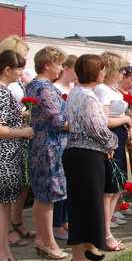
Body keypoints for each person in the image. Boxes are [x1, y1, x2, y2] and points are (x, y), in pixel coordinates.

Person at [62, 54, 117, 261]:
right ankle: (78, 258)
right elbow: (96, 128)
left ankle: (87, 248)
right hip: (86, 155)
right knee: (85, 206)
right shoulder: (87, 97)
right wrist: (112, 143)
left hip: (80, 154)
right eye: (102, 69)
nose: (104, 73)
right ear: (95, 72)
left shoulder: (78, 92)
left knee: (85, 204)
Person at [0, 50, 34, 261]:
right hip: (3, 157)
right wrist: (24, 132)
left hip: (6, 156)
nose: (22, 73)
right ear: (7, 70)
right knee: (0, 207)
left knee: (2, 206)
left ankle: (3, 254)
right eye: (19, 68)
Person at [25, 47, 69, 260]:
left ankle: (44, 240)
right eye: (58, 63)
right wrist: (81, 121)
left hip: (45, 146)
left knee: (43, 196)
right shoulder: (43, 88)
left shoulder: (37, 85)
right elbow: (58, 120)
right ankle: (48, 242)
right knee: (47, 197)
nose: (61, 68)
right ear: (47, 65)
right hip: (49, 148)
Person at [95, 52, 132, 251]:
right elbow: (104, 120)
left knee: (116, 188)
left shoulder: (112, 90)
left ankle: (106, 229)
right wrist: (126, 120)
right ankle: (104, 232)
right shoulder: (102, 90)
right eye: (121, 70)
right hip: (110, 140)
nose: (123, 74)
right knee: (108, 190)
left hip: (119, 139)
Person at [51, 54, 77, 240]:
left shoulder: (74, 88)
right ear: (67, 68)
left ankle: (66, 219)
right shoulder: (55, 88)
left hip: (72, 140)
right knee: (59, 183)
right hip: (59, 140)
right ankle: (56, 223)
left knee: (70, 182)